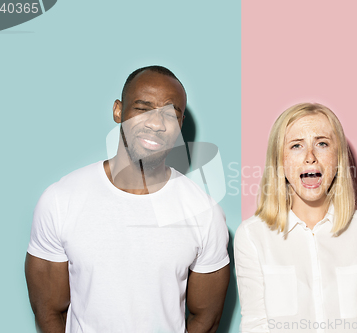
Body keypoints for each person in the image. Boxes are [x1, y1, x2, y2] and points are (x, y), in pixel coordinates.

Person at [25, 66, 230, 333]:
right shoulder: (61, 200)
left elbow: (206, 318)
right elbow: (49, 309)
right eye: (143, 109)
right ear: (118, 111)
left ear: (179, 126)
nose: (156, 124)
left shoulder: (204, 213)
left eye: (170, 114)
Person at [234, 103, 357, 333]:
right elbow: (255, 325)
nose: (310, 157)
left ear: (338, 157)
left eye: (322, 143)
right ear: (279, 160)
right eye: (296, 145)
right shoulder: (252, 236)